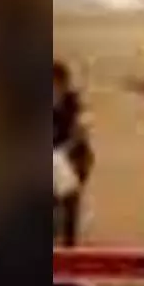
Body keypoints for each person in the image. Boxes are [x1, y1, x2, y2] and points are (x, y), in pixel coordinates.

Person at [52, 61, 94, 246]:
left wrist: (61, 154)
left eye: (56, 86)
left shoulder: (75, 106)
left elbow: (79, 134)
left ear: (63, 85)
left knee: (69, 190)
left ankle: (70, 241)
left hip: (73, 156)